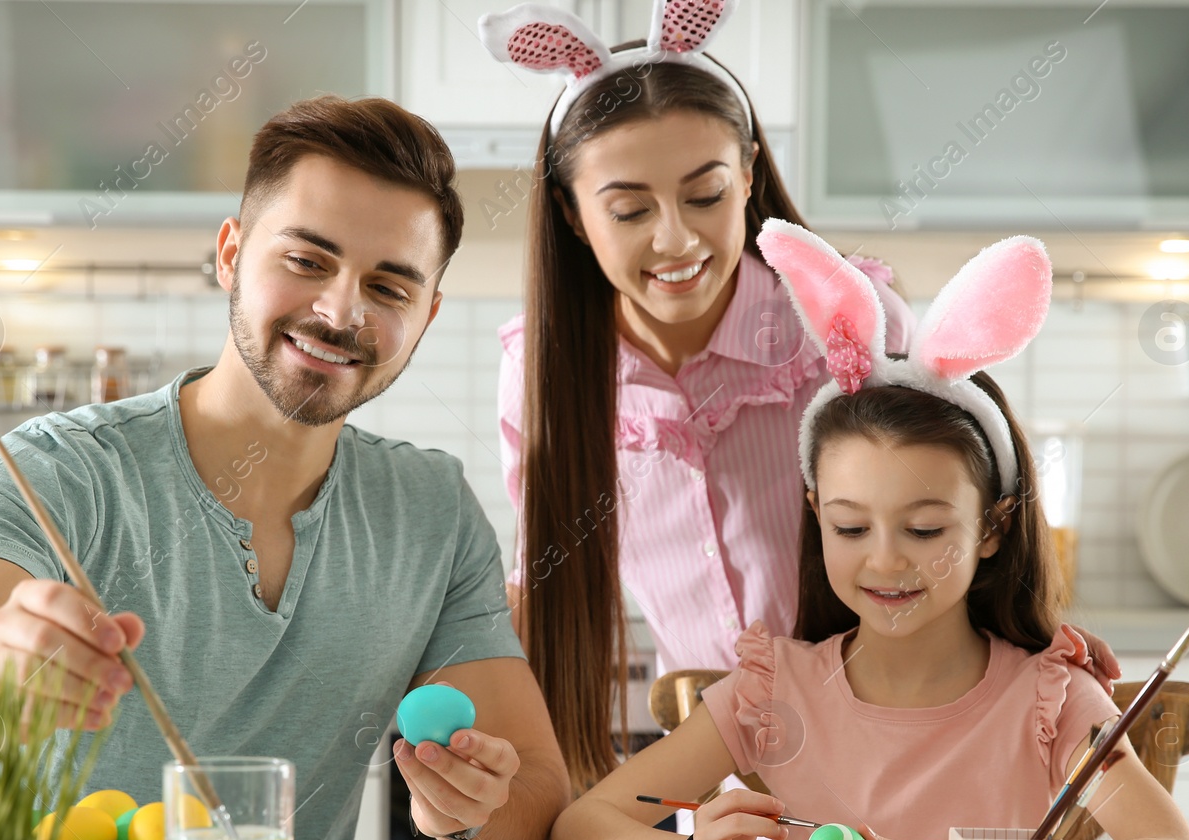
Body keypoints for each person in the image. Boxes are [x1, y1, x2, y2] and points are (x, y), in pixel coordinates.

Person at [0, 96, 570, 840]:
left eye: (389, 287)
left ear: (429, 313)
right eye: (307, 261)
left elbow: (536, 791)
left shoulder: (430, 511)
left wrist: (473, 810)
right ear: (232, 255)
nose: (341, 311)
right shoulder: (59, 471)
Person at [480, 0, 1119, 793]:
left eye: (705, 195)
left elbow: (951, 511)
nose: (674, 238)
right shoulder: (544, 375)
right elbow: (536, 584)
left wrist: (1035, 637)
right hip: (715, 751)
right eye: (630, 210)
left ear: (749, 173)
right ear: (574, 216)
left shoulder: (840, 322)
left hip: (885, 739)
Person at [547, 222, 1189, 840]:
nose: (886, 560)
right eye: (851, 527)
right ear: (815, 515)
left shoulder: (1048, 698)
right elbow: (578, 829)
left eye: (925, 529)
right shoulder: (772, 691)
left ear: (993, 526)